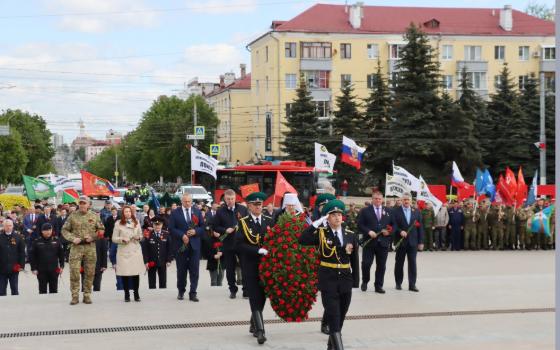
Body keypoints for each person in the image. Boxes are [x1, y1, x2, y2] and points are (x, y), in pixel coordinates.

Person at [300, 199, 359, 350]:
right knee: (333, 315)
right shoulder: (321, 234)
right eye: (333, 215)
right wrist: (316, 223)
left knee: (342, 314)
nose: (337, 217)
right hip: (328, 280)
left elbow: (354, 259)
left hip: (345, 279)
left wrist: (356, 281)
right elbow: (302, 239)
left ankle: (331, 344)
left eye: (339, 214)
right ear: (328, 217)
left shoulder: (350, 234)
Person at [235, 192, 273, 345]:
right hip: (250, 265)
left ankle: (253, 323)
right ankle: (260, 331)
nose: (258, 207)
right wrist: (257, 250)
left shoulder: (269, 220)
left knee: (262, 296)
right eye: (255, 205)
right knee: (254, 296)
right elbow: (238, 245)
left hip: (266, 265)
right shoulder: (243, 222)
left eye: (260, 204)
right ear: (249, 206)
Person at [62, 196, 105, 305]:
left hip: (90, 247)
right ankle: (75, 296)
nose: (82, 205)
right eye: (80, 203)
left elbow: (101, 230)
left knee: (90, 272)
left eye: (84, 203)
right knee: (74, 272)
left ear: (88, 205)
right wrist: (72, 239)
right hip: (76, 247)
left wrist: (93, 237)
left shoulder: (94, 216)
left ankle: (87, 295)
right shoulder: (72, 216)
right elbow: (64, 230)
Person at [168, 193, 205, 302]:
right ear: (182, 202)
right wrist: (182, 235)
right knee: (181, 271)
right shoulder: (175, 213)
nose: (187, 203)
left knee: (194, 271)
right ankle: (181, 291)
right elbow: (171, 228)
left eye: (189, 201)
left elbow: (202, 227)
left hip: (194, 246)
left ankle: (193, 293)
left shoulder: (197, 212)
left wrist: (195, 231)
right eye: (185, 201)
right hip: (181, 246)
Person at [212, 189, 248, 299]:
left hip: (242, 244)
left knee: (245, 268)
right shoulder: (220, 211)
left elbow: (248, 224)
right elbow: (215, 226)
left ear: (235, 198)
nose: (230, 201)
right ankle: (232, 289)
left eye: (232, 199)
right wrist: (224, 230)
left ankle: (246, 290)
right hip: (228, 244)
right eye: (228, 199)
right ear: (225, 199)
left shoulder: (243, 209)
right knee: (230, 269)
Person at [358, 191, 394, 293]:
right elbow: (360, 224)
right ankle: (365, 281)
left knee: (381, 265)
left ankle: (378, 286)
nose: (377, 200)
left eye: (379, 199)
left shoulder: (389, 211)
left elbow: (394, 225)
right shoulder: (365, 211)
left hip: (383, 243)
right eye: (375, 198)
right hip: (369, 242)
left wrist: (389, 231)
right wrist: (368, 231)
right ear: (372, 199)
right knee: (366, 264)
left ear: (382, 200)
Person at [112, 205, 144, 302]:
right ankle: (126, 294)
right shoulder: (118, 223)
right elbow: (114, 238)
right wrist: (122, 239)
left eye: (129, 211)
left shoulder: (136, 222)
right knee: (125, 273)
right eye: (126, 211)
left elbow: (140, 234)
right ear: (123, 213)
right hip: (124, 251)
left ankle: (136, 294)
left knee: (135, 274)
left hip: (135, 250)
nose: (128, 213)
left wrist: (139, 237)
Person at [393, 193, 424, 292]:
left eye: (408, 199)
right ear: (402, 200)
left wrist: (421, 242)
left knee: (412, 264)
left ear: (411, 200)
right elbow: (393, 225)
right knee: (399, 263)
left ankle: (412, 284)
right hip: (400, 242)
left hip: (413, 242)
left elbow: (420, 228)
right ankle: (398, 283)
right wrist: (399, 231)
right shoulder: (396, 211)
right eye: (404, 199)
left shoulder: (417, 212)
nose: (406, 201)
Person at [31, 223, 64, 294]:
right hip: (41, 270)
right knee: (42, 291)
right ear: (42, 231)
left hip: (54, 270)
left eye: (50, 230)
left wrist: (62, 266)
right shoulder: (37, 241)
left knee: (54, 290)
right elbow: (32, 256)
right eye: (46, 230)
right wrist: (33, 268)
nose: (48, 232)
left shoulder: (56, 240)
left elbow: (61, 255)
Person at [141, 216, 172, 289]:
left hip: (162, 260)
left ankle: (163, 295)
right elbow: (145, 250)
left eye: (159, 224)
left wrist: (169, 260)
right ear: (153, 225)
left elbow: (169, 248)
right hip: (151, 261)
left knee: (163, 280)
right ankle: (152, 295)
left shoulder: (166, 234)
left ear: (162, 225)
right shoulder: (148, 235)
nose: (157, 226)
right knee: (151, 280)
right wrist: (146, 262)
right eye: (155, 224)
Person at [0, 219, 25, 296]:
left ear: (13, 226)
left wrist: (21, 265)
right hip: (1, 268)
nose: (8, 227)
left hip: (14, 268)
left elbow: (22, 253)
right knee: (1, 290)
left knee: (14, 289)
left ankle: (16, 305)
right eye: (6, 226)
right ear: (3, 227)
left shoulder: (18, 237)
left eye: (10, 225)